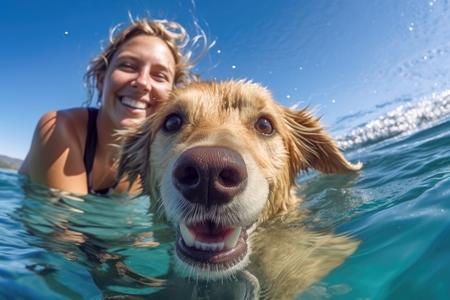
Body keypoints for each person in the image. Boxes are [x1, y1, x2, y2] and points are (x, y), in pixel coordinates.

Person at [19, 17, 206, 195]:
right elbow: (63, 228)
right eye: (128, 66)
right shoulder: (58, 127)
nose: (142, 82)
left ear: (172, 96)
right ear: (101, 79)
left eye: (159, 76)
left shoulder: (154, 159)